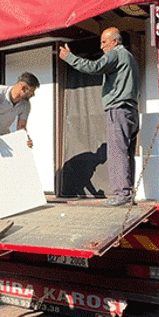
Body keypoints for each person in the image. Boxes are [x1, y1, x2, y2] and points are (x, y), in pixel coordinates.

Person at [60, 27, 140, 206]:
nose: (102, 46)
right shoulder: (130, 58)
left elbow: (94, 67)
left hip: (118, 109)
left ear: (115, 41)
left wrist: (69, 58)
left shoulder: (116, 54)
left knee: (117, 153)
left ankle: (122, 195)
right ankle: (127, 194)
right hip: (131, 110)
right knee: (127, 153)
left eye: (104, 42)